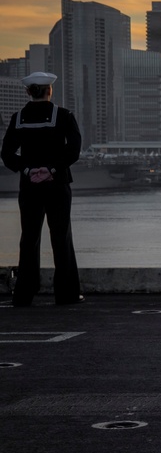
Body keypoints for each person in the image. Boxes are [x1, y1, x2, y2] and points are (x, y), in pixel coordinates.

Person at [1, 72, 84, 307]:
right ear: (50, 90)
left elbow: (7, 154)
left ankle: (24, 293)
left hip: (29, 187)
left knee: (29, 238)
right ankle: (66, 294)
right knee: (61, 237)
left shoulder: (18, 118)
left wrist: (28, 170)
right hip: (57, 185)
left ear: (29, 92)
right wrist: (52, 170)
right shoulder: (64, 116)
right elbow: (74, 149)